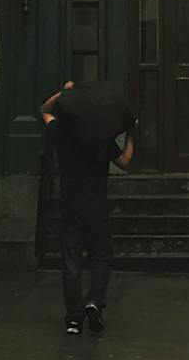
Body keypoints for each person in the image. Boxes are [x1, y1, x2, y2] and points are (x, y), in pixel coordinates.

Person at [40, 78, 134, 336]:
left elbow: (44, 111)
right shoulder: (101, 141)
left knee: (71, 260)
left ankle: (73, 318)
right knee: (101, 255)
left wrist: (64, 94)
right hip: (96, 205)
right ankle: (94, 301)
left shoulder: (62, 133)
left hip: (71, 204)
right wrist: (131, 135)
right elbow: (125, 162)